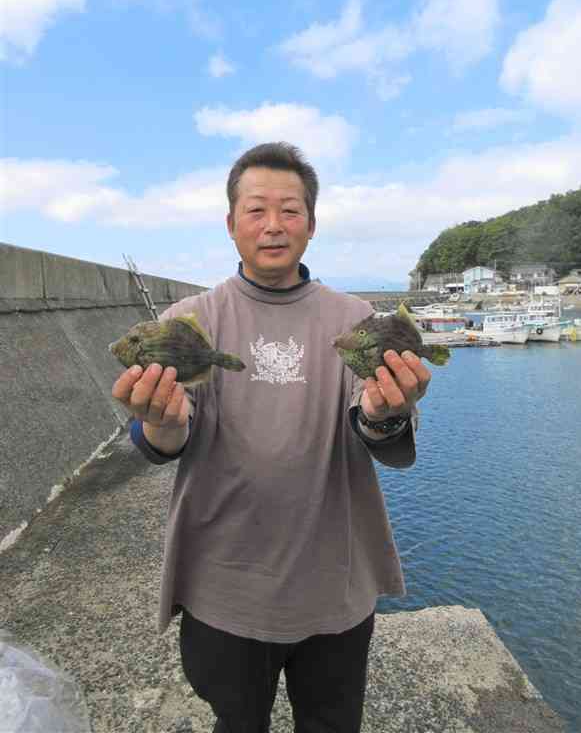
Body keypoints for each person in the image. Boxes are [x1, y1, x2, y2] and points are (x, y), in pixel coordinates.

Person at [111, 142, 431, 733]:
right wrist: (158, 419)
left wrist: (389, 413)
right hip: (223, 588)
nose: (274, 226)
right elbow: (162, 438)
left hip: (334, 585)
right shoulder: (189, 319)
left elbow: (377, 430)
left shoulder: (354, 319)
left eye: (290, 210)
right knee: (236, 721)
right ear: (231, 223)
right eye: (256, 210)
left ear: (312, 224)